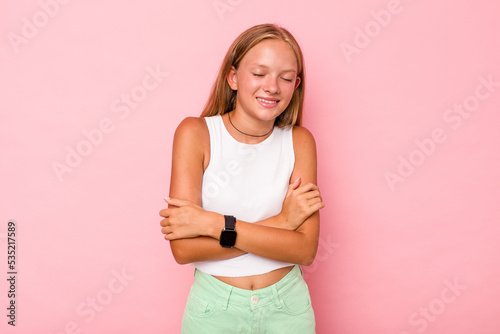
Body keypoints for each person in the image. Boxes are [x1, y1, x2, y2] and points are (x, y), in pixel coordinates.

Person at [159, 23, 325, 334]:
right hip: (214, 309)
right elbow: (184, 250)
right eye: (259, 73)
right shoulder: (195, 134)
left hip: (287, 308)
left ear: (296, 85)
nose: (272, 86)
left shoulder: (300, 141)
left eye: (286, 78)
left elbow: (304, 250)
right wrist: (283, 223)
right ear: (233, 77)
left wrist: (212, 225)